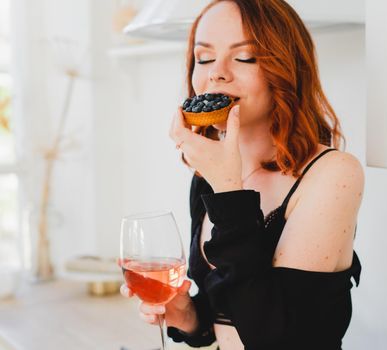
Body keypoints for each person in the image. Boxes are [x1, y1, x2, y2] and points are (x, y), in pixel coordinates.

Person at [121, 1, 364, 349]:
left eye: (245, 57)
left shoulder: (333, 173)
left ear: (286, 69)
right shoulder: (209, 175)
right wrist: (184, 313)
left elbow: (277, 338)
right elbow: (227, 311)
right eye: (203, 58)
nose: (216, 73)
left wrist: (228, 192)